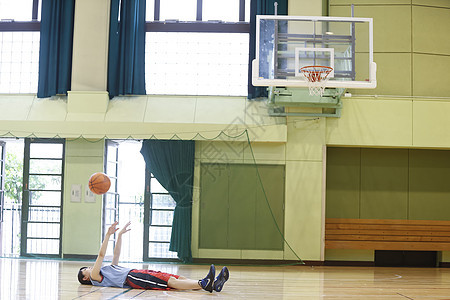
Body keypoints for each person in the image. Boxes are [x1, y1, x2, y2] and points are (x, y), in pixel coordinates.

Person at [77, 221, 229, 293]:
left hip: (136, 272)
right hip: (132, 278)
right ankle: (204, 283)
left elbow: (116, 254)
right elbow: (101, 255)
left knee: (177, 278)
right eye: (86, 270)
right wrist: (108, 235)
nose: (90, 268)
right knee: (170, 282)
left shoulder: (108, 270)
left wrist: (120, 235)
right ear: (86, 278)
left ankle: (212, 284)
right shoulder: (96, 277)